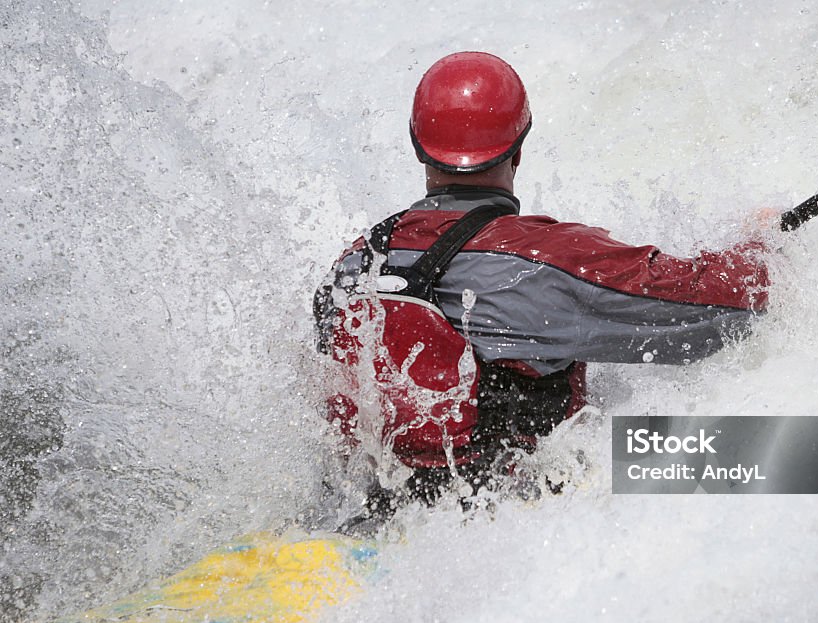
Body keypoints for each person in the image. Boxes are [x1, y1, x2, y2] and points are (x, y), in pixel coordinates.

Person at [315, 51, 770, 528]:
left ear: (417, 146)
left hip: (372, 513)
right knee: (766, 451)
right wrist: (765, 244)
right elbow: (726, 307)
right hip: (510, 522)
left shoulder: (356, 263)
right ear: (519, 150)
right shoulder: (543, 261)